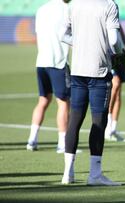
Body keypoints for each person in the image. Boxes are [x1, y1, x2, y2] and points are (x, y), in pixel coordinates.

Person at [61, 0, 122, 186]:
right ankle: (94, 174)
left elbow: (63, 35)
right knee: (98, 121)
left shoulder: (75, 4)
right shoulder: (109, 5)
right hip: (99, 71)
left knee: (74, 121)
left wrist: (81, 44)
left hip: (78, 70)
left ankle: (67, 174)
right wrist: (118, 53)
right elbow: (113, 40)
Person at [26, 0, 70, 153]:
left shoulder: (41, 9)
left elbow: (38, 35)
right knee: (63, 103)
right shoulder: (67, 9)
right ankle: (62, 144)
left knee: (43, 100)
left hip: (41, 61)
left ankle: (32, 140)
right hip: (58, 62)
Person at [105, 19, 125, 142]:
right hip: (110, 54)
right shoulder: (103, 11)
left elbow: (120, 30)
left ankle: (113, 129)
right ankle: (107, 126)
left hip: (119, 54)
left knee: (118, 93)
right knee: (115, 85)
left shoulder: (113, 10)